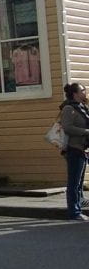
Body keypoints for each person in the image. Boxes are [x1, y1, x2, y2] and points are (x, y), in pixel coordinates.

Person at [59, 82, 89, 221]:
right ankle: (74, 212)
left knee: (79, 182)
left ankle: (78, 205)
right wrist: (85, 131)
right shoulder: (69, 108)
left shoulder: (82, 107)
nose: (85, 92)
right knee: (74, 183)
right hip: (74, 148)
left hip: (83, 148)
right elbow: (67, 127)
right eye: (83, 90)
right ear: (75, 93)